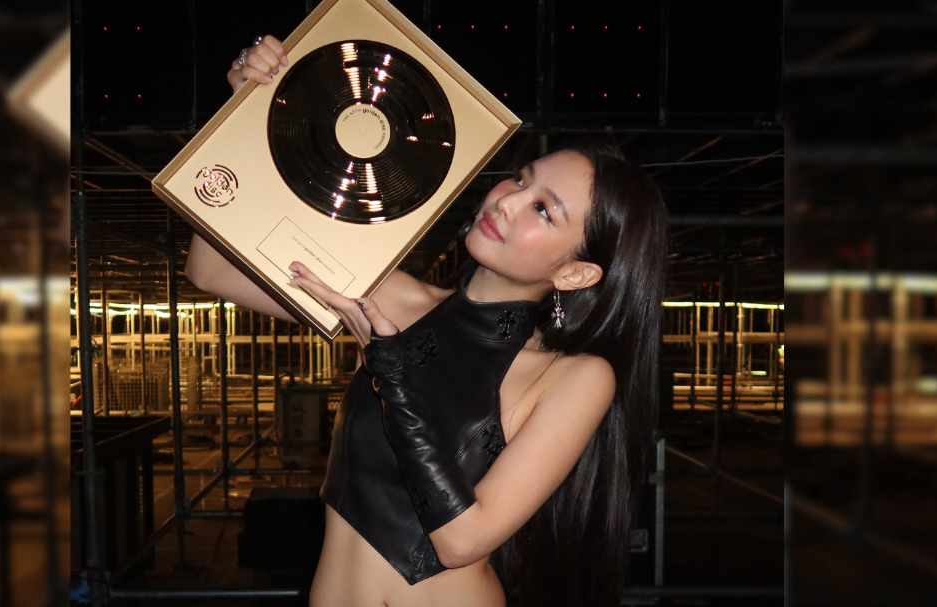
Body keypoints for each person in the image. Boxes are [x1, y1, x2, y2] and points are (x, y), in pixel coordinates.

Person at [184, 35, 668, 607]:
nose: (507, 200)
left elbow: (461, 541)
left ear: (575, 274)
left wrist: (389, 368)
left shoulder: (573, 376)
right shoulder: (396, 297)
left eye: (543, 209)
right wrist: (242, 114)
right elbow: (211, 269)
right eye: (521, 179)